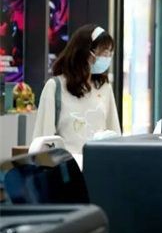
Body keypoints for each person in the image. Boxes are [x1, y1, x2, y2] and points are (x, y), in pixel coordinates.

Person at [31, 24, 121, 159]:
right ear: (85, 51)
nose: (107, 58)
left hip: (98, 164)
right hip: (67, 166)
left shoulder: (104, 88)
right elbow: (43, 138)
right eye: (103, 53)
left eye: (109, 53)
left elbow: (114, 131)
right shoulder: (55, 87)